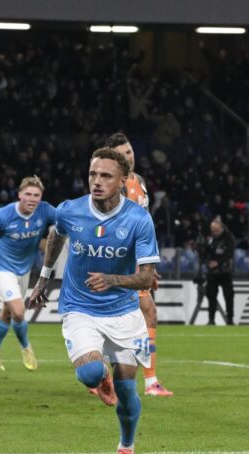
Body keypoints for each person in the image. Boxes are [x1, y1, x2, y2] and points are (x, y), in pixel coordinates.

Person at [28, 147, 160, 454]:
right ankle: (100, 377)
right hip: (80, 307)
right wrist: (44, 279)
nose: (97, 181)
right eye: (92, 174)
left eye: (106, 176)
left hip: (123, 312)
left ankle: (126, 448)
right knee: (88, 373)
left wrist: (112, 279)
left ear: (123, 181)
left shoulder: (138, 219)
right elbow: (56, 236)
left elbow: (148, 277)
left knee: (127, 392)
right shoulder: (70, 210)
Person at [104, 133, 173, 397]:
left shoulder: (140, 182)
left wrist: (148, 265)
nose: (129, 156)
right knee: (140, 315)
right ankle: (145, 381)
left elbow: (144, 225)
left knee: (139, 315)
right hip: (120, 262)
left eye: (130, 151)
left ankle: (106, 376)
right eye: (122, 153)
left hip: (136, 261)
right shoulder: (115, 185)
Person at [0, 176, 55, 372]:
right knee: (18, 311)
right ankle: (26, 348)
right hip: (1, 268)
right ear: (19, 195)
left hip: (24, 271)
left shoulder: (45, 210)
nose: (32, 199)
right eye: (28, 194)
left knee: (8, 312)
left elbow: (67, 219)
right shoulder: (2, 215)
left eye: (36, 195)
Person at [202, 218, 236, 325]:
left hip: (225, 271)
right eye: (213, 231)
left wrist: (218, 262)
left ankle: (230, 319)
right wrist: (207, 261)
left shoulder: (228, 237)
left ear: (221, 228)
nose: (214, 233)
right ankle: (211, 319)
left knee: (229, 295)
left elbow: (229, 253)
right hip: (212, 272)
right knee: (211, 295)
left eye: (216, 231)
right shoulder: (210, 237)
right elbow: (205, 253)